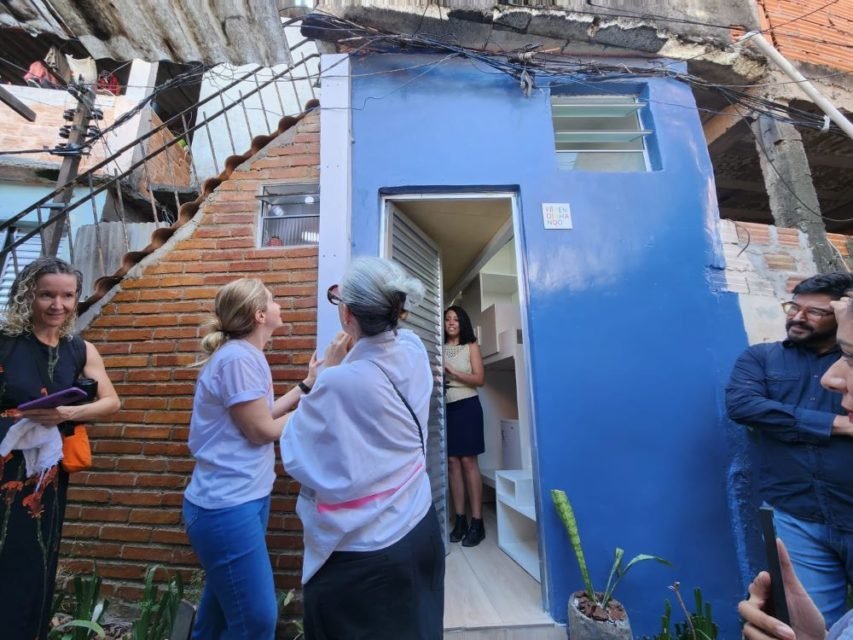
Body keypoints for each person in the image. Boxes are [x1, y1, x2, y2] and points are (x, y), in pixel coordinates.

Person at [280, 256, 444, 640]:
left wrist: (323, 376)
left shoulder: (340, 383)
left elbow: (296, 451)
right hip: (421, 526)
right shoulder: (415, 349)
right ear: (397, 310)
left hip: (365, 554)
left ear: (347, 313)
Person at [182, 278, 319, 639]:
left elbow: (262, 415)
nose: (278, 306)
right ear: (260, 315)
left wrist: (306, 386)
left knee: (217, 620)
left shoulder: (245, 355)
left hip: (244, 499)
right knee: (256, 620)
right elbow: (261, 431)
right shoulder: (239, 359)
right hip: (226, 507)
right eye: (272, 301)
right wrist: (320, 407)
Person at [0, 257, 120, 640]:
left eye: (67, 296)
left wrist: (69, 411)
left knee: (33, 563)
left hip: (44, 479)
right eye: (46, 295)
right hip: (4, 466)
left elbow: (111, 402)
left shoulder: (79, 349)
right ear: (27, 296)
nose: (58, 305)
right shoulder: (5, 343)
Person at [726, 272, 853, 628]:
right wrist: (836, 425)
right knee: (811, 627)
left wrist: (787, 421)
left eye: (814, 312)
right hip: (797, 515)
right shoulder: (761, 358)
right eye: (793, 306)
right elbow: (745, 406)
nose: (797, 317)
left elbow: (768, 413)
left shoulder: (845, 367)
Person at [443, 305, 486, 547]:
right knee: (452, 463)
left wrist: (454, 371)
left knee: (469, 461)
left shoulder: (471, 346)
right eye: (447, 319)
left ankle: (477, 523)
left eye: (456, 319)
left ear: (462, 323)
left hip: (468, 406)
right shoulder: (438, 349)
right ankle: (460, 520)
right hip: (446, 409)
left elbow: (480, 379)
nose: (451, 323)